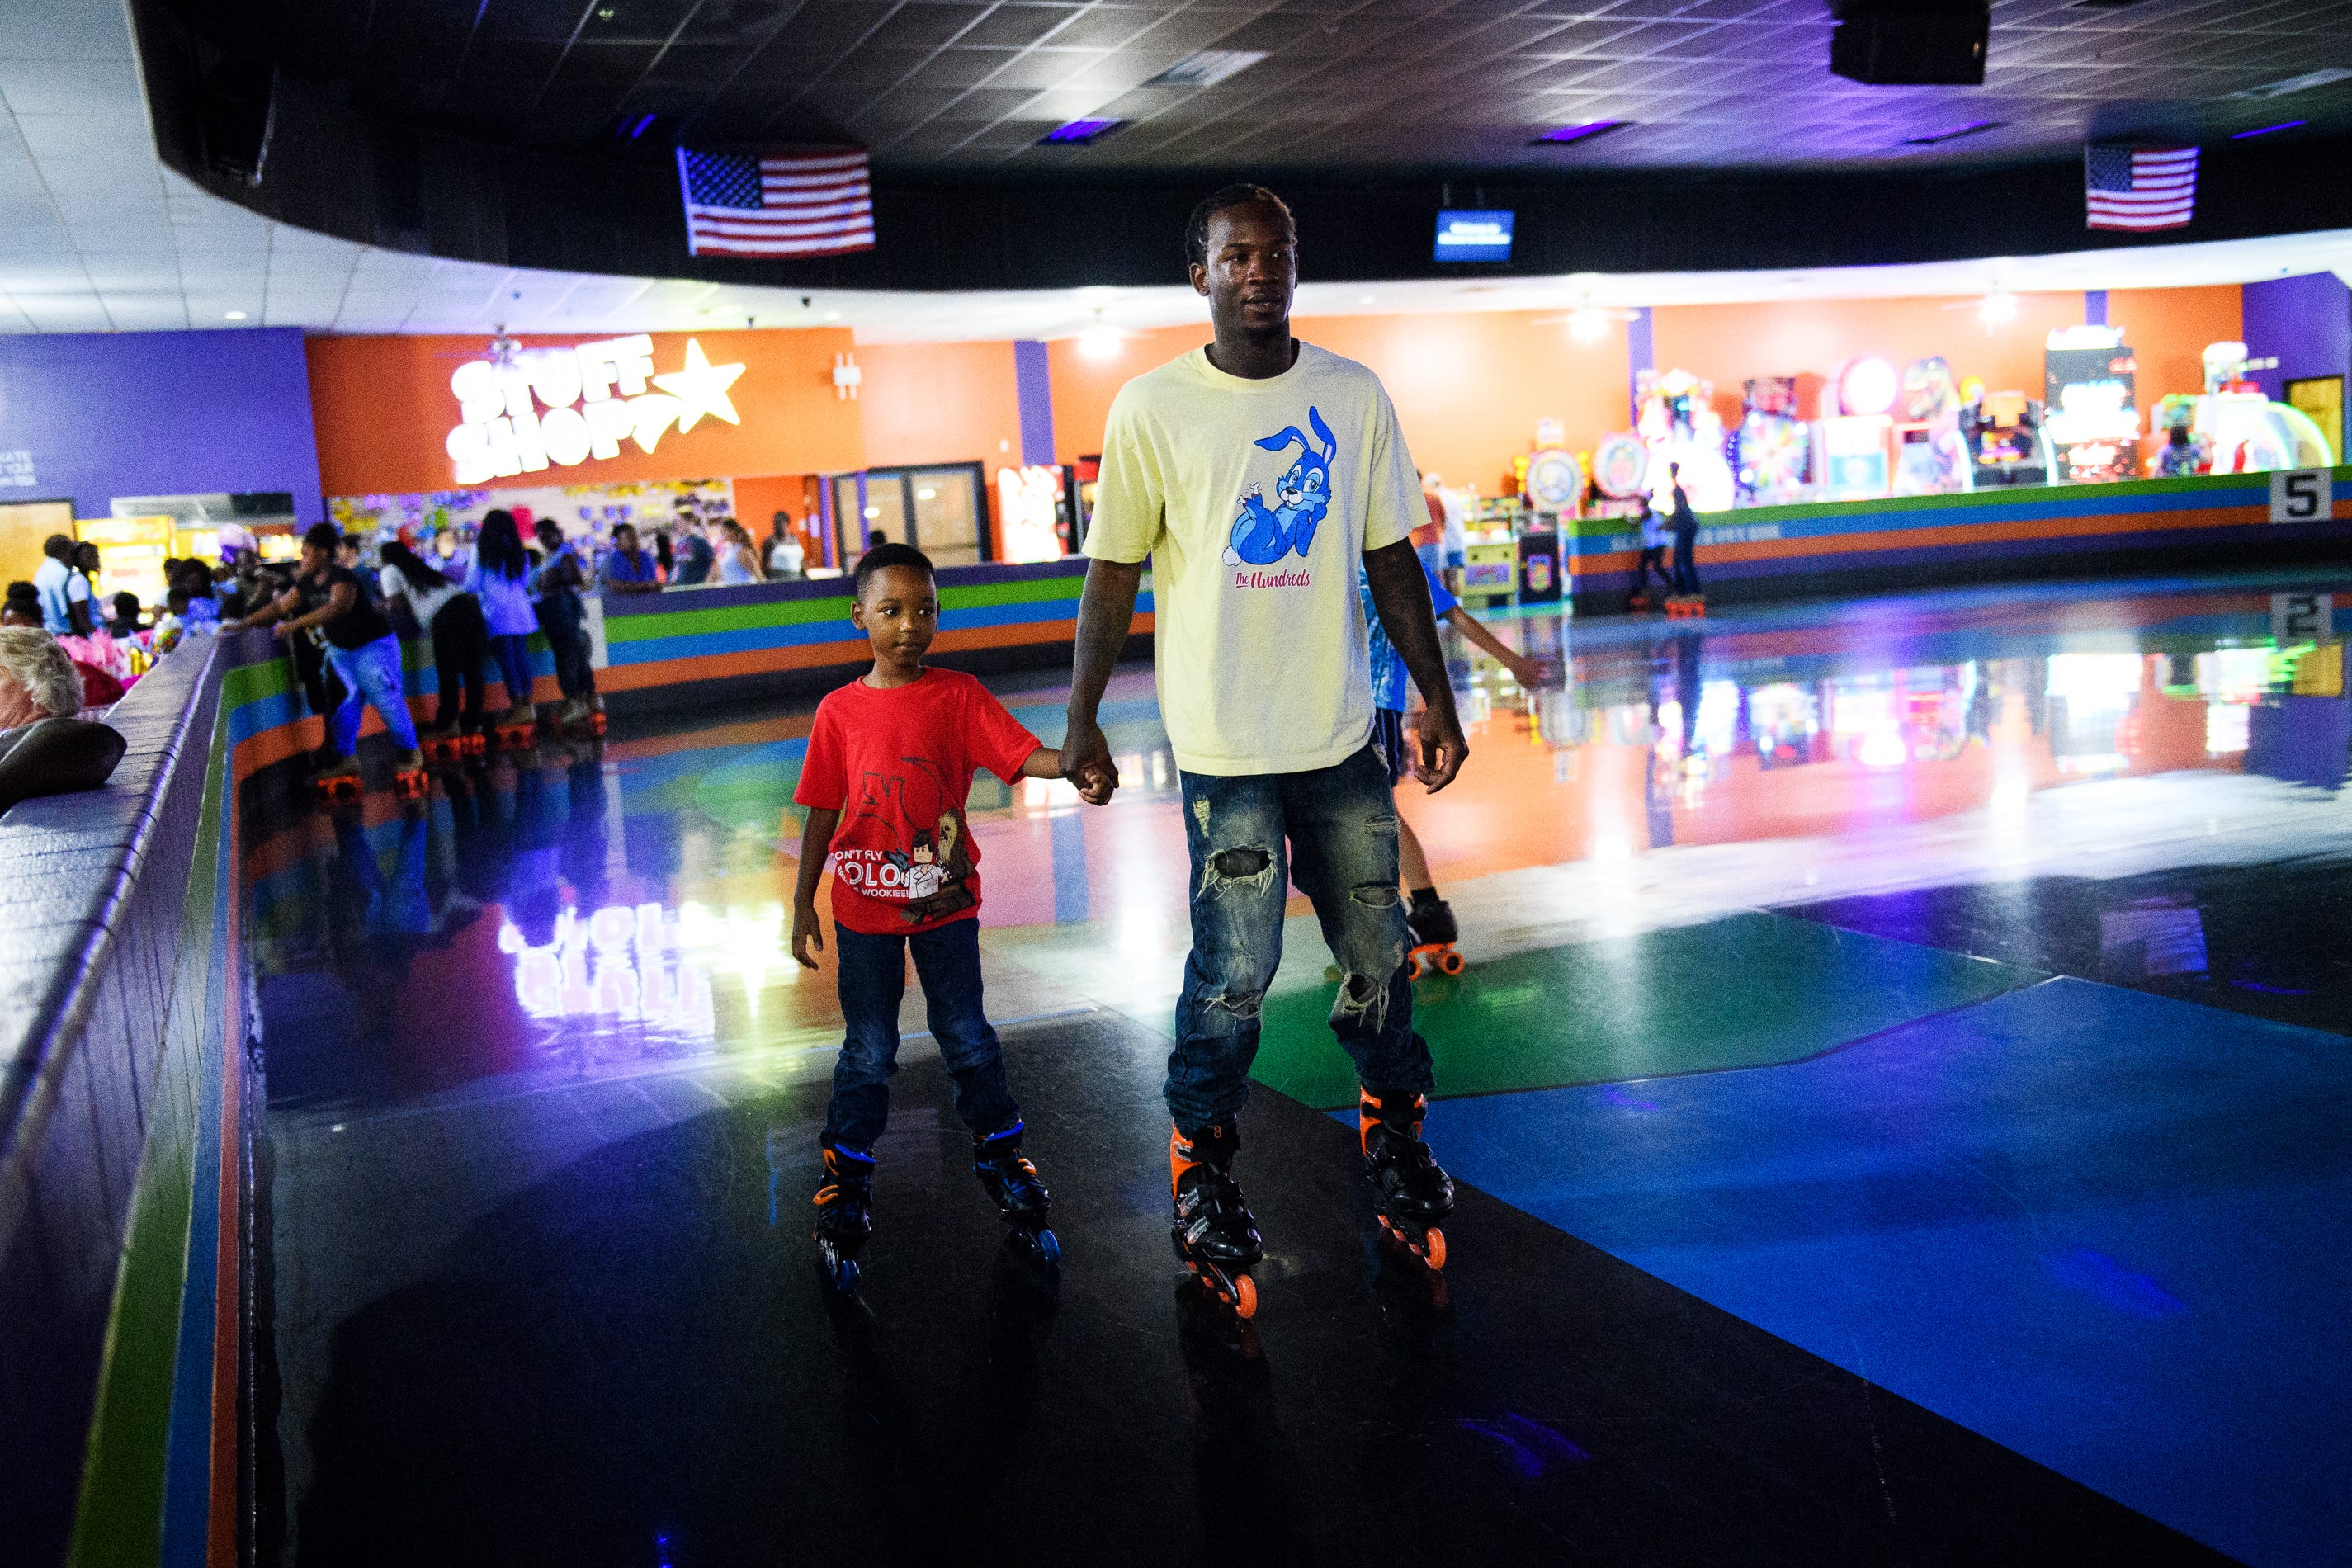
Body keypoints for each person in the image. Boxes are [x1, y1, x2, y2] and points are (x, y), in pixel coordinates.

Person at [1060, 182, 1468, 1315]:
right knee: (1234, 974)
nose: (1258, 271)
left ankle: (1394, 1143)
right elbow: (1111, 573)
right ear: (1198, 273)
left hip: (1341, 736)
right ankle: (1202, 1165)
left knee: (1378, 955)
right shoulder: (1151, 407)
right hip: (1225, 747)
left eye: (1275, 252)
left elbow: (1393, 561)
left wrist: (1435, 697)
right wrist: (1079, 713)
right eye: (1235, 255)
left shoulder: (1353, 394)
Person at [789, 541, 1094, 1286]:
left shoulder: (957, 696)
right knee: (869, 1048)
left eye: (924, 609)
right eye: (890, 610)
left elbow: (1023, 755)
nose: (908, 626)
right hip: (864, 910)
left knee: (966, 1036)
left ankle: (1002, 1157)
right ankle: (847, 1179)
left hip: (947, 906)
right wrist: (802, 898)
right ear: (858, 614)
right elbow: (823, 810)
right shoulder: (838, 711)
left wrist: (1078, 761)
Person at [1363, 558, 1551, 956]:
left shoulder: (1398, 562)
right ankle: (1385, 917)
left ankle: (1423, 913)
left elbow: (1455, 617)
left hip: (1375, 705)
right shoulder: (1335, 553)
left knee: (1377, 811)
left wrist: (1513, 662)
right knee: (1366, 813)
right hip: (1348, 707)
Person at [224, 522, 423, 788]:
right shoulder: (306, 583)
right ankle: (345, 757)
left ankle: (410, 751)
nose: (302, 558)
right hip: (341, 651)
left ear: (322, 553)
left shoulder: (342, 578)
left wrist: (293, 625)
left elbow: (336, 608)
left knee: (385, 699)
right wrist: (243, 624)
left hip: (373, 647)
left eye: (306, 553)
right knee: (342, 705)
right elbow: (280, 606)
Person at [381, 539, 489, 737]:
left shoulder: (389, 570)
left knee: (448, 671)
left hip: (446, 616)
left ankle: (448, 724)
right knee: (471, 668)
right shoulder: (418, 566)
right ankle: (473, 720)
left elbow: (397, 604)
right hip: (467, 606)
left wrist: (383, 607)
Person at [463, 510, 541, 730]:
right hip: (520, 610)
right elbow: (524, 580)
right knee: (520, 658)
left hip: (496, 612)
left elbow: (471, 584)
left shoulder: (481, 549)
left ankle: (518, 709)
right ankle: (528, 706)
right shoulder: (518, 549)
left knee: (507, 661)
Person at [530, 518, 599, 728]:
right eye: (540, 535)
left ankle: (575, 701)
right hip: (562, 610)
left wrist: (551, 580)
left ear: (557, 532)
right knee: (576, 654)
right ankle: (589, 699)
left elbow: (573, 578)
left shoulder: (564, 554)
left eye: (547, 534)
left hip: (560, 610)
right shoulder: (554, 555)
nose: (543, 539)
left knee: (566, 654)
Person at [33, 535, 93, 637]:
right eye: (72, 550)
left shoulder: (40, 573)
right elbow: (79, 618)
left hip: (50, 635)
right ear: (64, 552)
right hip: (70, 638)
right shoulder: (67, 575)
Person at [1667, 461, 1702, 598]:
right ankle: (1682, 592)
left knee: (1685, 562)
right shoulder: (1677, 489)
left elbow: (1680, 509)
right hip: (1685, 527)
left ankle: (1694, 593)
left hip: (1687, 528)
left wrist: (1669, 522)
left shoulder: (1677, 490)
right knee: (1678, 560)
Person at [599, 522, 660, 596]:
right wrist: (644, 586)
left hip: (644, 604)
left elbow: (654, 583)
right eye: (630, 539)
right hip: (618, 605)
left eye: (635, 537)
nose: (635, 541)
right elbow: (615, 586)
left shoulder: (646, 558)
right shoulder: (611, 560)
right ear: (618, 542)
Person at [1632, 497, 1672, 604]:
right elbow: (1664, 515)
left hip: (1656, 544)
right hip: (1652, 545)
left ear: (1642, 505)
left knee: (1656, 567)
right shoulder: (1653, 511)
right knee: (1643, 566)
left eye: (1640, 504)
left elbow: (1634, 524)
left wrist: (1625, 517)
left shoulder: (1647, 513)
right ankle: (1645, 589)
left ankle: (1671, 585)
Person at [1412, 471, 1447, 583]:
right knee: (1437, 577)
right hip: (1434, 542)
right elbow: (1443, 517)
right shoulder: (1434, 496)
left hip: (1415, 543)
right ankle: (1441, 601)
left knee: (1418, 580)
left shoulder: (1408, 498)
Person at [710, 517, 763, 584]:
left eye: (724, 530)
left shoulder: (743, 551)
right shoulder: (728, 551)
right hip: (731, 591)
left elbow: (758, 574)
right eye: (721, 531)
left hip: (744, 591)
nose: (721, 533)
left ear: (733, 532)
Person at [670, 507, 714, 585]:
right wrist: (673, 582)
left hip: (698, 589)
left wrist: (707, 584)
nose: (677, 525)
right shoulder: (680, 544)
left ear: (690, 522)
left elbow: (714, 563)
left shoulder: (700, 541)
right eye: (676, 522)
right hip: (682, 590)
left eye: (680, 522)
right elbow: (678, 566)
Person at [767, 512, 806, 579]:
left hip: (797, 577)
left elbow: (801, 560)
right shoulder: (770, 541)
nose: (778, 526)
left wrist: (805, 576)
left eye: (780, 523)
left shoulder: (794, 538)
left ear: (787, 523)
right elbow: (764, 564)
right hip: (779, 579)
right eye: (775, 524)